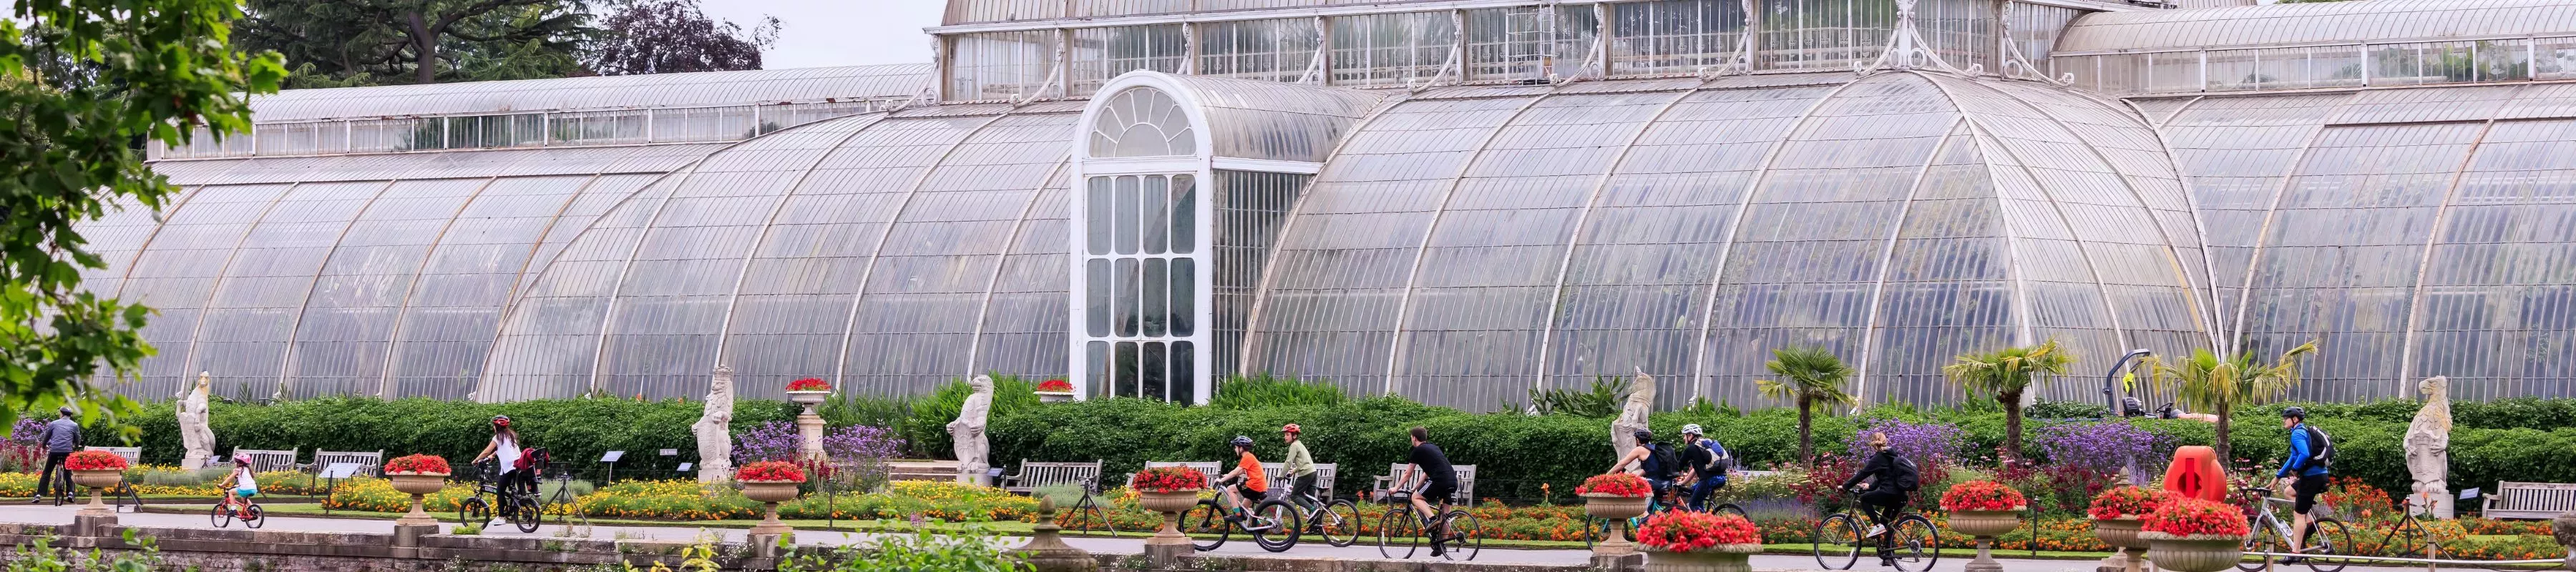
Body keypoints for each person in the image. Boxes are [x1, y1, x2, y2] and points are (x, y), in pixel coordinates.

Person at [1839, 433, 1913, 567]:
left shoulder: (1878, 458)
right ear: (1885, 442)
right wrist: (1871, 487)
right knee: (1887, 522)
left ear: (1872, 443)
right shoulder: (1892, 455)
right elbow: (1884, 478)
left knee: (1865, 500)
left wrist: (1846, 486)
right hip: (1901, 495)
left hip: (1890, 494)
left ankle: (1877, 527)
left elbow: (1863, 473)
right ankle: (1888, 556)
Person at [1390, 426, 1459, 557]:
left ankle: (1432, 519)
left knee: (1416, 498)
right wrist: (1415, 488)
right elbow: (1426, 474)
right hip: (1452, 481)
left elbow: (1407, 474)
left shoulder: (1418, 451)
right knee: (1445, 516)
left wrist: (1396, 488)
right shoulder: (1433, 448)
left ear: (1414, 438)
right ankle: (1441, 545)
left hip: (1439, 480)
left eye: (1411, 437)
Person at [2278, 407, 2329, 562]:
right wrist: (2277, 477)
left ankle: (2296, 553)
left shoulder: (2297, 434)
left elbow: (2305, 454)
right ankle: (2311, 524)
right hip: (2317, 475)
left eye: (2286, 418)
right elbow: (2294, 457)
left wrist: (2295, 469)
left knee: (2298, 514)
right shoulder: (2300, 432)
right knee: (2288, 492)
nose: (2284, 421)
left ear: (2294, 419)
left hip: (2312, 477)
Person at [1609, 429, 1678, 506]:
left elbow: (1622, 464)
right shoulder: (1653, 448)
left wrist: (1607, 475)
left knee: (1627, 489)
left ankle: (1640, 513)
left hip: (1655, 482)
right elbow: (1648, 469)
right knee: (1650, 510)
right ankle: (1647, 516)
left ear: (1637, 440)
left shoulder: (1640, 449)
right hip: (1665, 481)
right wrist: (1635, 477)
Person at [471, 415, 534, 498]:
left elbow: (486, 452)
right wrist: (492, 455)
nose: (493, 427)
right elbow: (505, 448)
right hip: (518, 466)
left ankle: (502, 512)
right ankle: (514, 508)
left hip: (509, 468)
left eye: (494, 425)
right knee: (512, 492)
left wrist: (476, 460)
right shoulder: (511, 435)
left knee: (500, 492)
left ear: (497, 426)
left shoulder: (497, 437)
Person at [1677, 424, 1731, 512]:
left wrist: (1667, 475)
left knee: (1693, 504)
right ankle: (1702, 512)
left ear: (1690, 435)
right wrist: (1683, 482)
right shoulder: (1703, 447)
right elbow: (1695, 470)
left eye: (1684, 435)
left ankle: (1706, 523)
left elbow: (1678, 467)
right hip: (1722, 478)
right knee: (1694, 490)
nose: (1684, 438)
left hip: (1709, 480)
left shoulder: (1691, 449)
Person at [31, 407, 79, 503]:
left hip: (55, 451)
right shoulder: (74, 425)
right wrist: (76, 446)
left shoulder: (54, 423)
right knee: (68, 472)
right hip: (67, 451)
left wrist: (44, 445)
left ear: (61, 414)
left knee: (47, 472)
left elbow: (47, 437)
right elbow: (77, 438)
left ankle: (39, 495)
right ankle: (70, 493)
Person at [1216, 435, 1269, 520]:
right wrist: (1227, 476)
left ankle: (1237, 514)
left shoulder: (1248, 457)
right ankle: (1260, 526)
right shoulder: (1250, 457)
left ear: (1241, 448)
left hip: (1253, 485)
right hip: (1259, 486)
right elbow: (1240, 472)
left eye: (1236, 447)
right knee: (1244, 508)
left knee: (1230, 489)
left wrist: (1221, 480)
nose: (1235, 449)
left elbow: (1235, 472)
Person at [1281, 424, 1318, 511]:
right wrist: (1294, 470)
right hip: (1313, 472)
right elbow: (1304, 463)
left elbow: (1288, 462)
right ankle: (1317, 521)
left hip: (1306, 474)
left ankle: (1314, 509)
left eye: (1287, 435)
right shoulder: (1300, 444)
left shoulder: (1294, 446)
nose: (1285, 437)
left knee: (1294, 496)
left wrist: (1281, 475)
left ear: (1294, 436)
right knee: (1310, 500)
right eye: (1285, 435)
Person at [220, 453, 260, 519]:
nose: (235, 463)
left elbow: (230, 478)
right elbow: (246, 481)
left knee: (230, 492)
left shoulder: (238, 469)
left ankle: (233, 510)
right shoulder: (248, 469)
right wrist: (238, 485)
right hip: (253, 489)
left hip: (246, 489)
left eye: (236, 462)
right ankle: (253, 509)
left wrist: (222, 484)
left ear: (240, 463)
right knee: (243, 498)